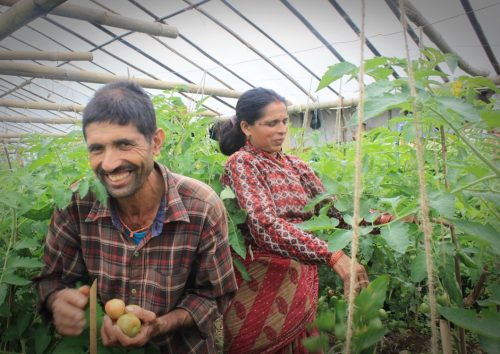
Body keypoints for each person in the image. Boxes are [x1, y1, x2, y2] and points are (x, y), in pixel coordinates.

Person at [33, 80, 238, 353]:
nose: (109, 163)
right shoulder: (75, 204)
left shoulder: (201, 207)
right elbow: (52, 279)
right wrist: (57, 299)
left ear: (155, 142)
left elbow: (213, 295)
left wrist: (160, 325)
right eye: (97, 149)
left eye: (124, 144)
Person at [215, 88, 372, 354]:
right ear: (246, 127)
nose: (281, 130)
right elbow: (265, 226)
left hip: (297, 281)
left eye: (285, 121)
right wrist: (331, 255)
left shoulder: (296, 165)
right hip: (260, 283)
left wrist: (391, 219)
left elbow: (335, 214)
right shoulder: (243, 163)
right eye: (271, 123)